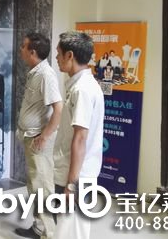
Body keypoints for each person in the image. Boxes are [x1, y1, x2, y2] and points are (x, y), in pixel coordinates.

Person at [53, 31, 104, 239]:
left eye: (58, 53)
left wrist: (71, 185)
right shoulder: (83, 85)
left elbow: (80, 139)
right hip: (77, 172)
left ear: (70, 55)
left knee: (69, 231)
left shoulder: (82, 90)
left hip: (76, 175)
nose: (56, 58)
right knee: (72, 230)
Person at [14, 33, 63, 239]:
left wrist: (44, 136)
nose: (20, 49)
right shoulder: (35, 72)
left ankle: (49, 233)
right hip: (31, 137)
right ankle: (38, 227)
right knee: (35, 185)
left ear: (32, 52)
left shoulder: (46, 75)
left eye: (23, 46)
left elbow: (58, 108)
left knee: (42, 188)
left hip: (39, 140)